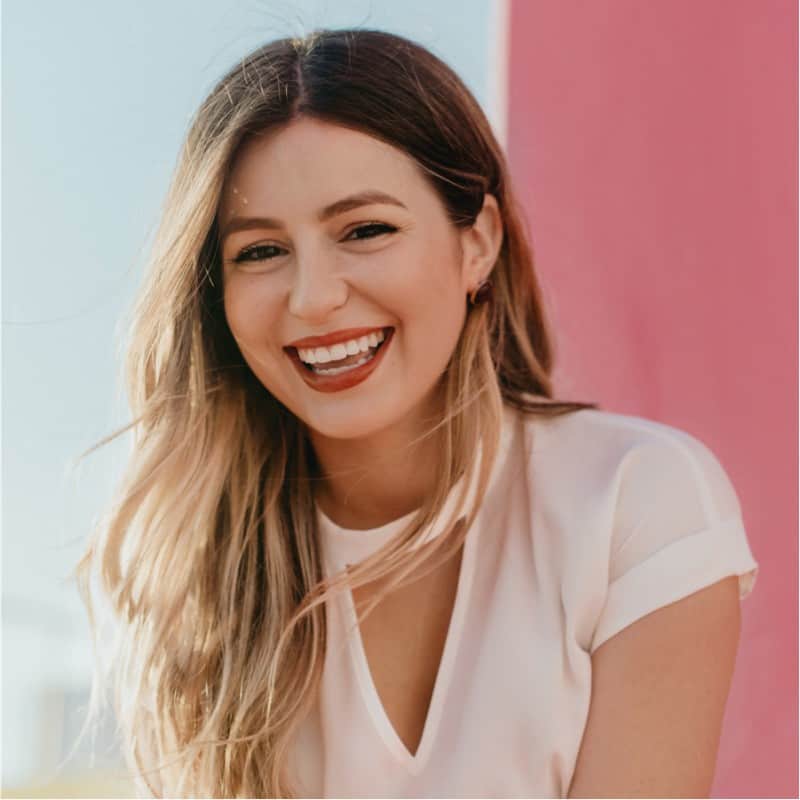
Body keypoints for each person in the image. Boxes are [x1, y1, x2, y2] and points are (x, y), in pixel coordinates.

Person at [70, 27, 759, 798]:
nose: (313, 297)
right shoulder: (206, 582)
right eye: (260, 252)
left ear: (478, 244)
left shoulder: (634, 503)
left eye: (366, 230)